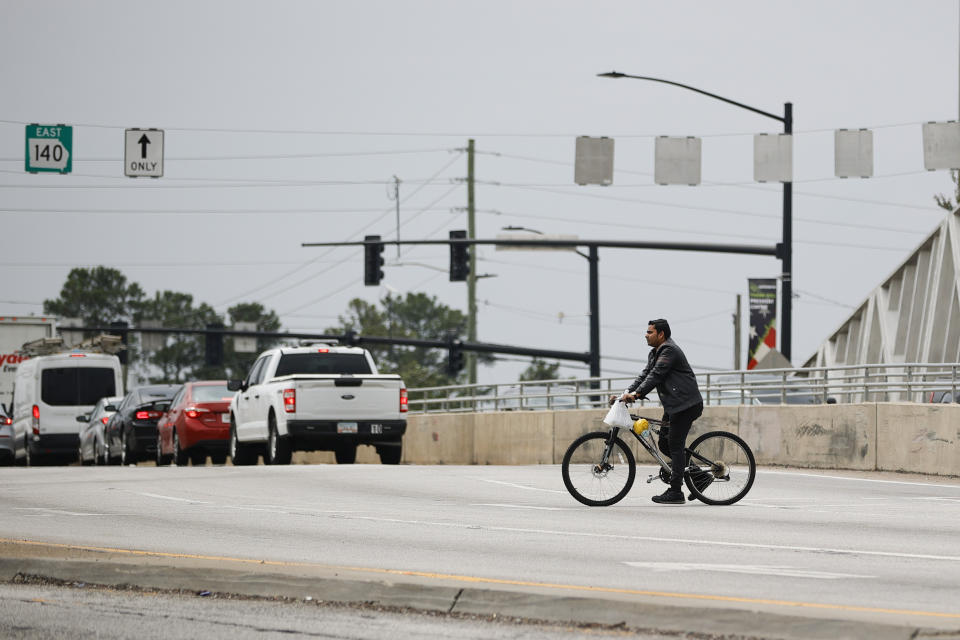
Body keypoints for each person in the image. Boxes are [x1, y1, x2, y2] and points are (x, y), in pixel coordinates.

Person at [617, 318, 703, 505]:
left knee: (675, 444)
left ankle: (676, 491)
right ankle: (700, 477)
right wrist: (625, 393)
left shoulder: (669, 350)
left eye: (650, 332)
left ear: (661, 334)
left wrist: (637, 394)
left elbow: (657, 375)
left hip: (686, 405)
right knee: (664, 444)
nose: (646, 335)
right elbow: (645, 374)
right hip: (674, 405)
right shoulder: (655, 353)